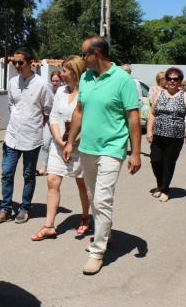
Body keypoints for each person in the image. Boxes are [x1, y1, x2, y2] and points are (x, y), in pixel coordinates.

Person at [63, 35, 141, 275]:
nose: (81, 58)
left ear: (96, 54)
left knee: (102, 199)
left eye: (84, 54)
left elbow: (133, 117)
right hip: (87, 148)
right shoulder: (85, 78)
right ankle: (104, 232)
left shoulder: (122, 80)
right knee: (93, 195)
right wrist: (69, 141)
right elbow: (79, 111)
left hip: (111, 149)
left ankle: (97, 251)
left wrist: (135, 153)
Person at [0, 47, 53, 224]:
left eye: (20, 62)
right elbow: (11, 105)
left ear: (30, 62)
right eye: (14, 62)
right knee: (7, 172)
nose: (17, 65)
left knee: (28, 174)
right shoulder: (11, 82)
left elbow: (47, 110)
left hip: (32, 137)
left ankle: (25, 207)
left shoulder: (42, 84)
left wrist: (33, 124)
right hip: (12, 136)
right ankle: (5, 208)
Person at [31, 56, 91, 241]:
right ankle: (49, 225)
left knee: (82, 184)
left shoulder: (87, 92)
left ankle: (85, 217)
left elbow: (89, 122)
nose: (61, 74)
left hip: (81, 147)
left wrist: (73, 141)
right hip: (60, 146)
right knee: (52, 181)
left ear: (75, 72)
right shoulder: (61, 92)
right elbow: (54, 117)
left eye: (65, 70)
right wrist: (58, 139)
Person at [146, 67, 186, 202]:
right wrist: (149, 131)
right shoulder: (159, 93)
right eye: (169, 78)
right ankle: (160, 185)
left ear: (180, 81)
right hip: (158, 134)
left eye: (175, 79)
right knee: (155, 161)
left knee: (168, 163)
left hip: (175, 136)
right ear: (166, 80)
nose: (172, 81)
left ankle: (164, 189)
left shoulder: (184, 95)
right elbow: (153, 113)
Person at [37, 70, 63, 176]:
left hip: (59, 122)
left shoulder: (64, 91)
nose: (55, 83)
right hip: (48, 121)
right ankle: (44, 167)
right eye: (53, 80)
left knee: (59, 143)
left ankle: (60, 166)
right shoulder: (47, 90)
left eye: (57, 80)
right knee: (46, 144)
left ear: (61, 81)